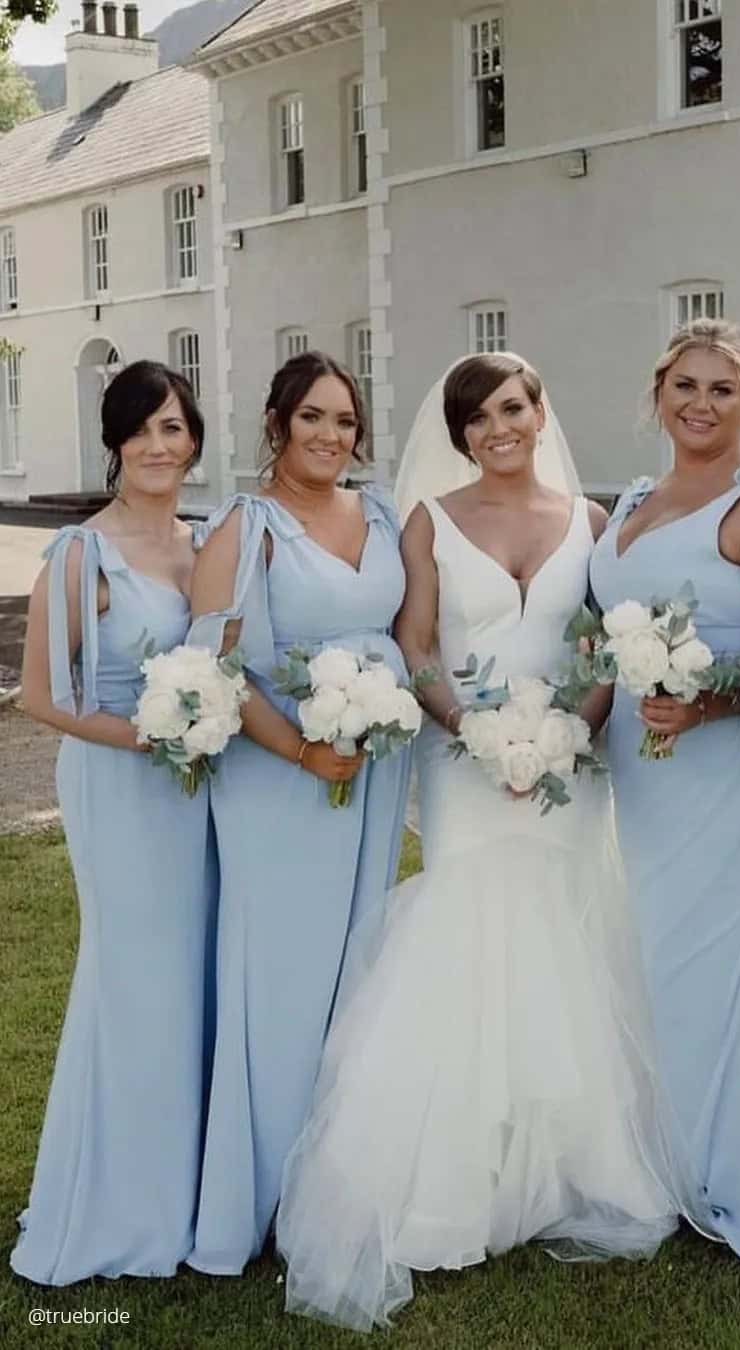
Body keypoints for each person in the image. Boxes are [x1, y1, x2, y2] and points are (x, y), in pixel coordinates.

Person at [275, 352, 677, 1331]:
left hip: (569, 770)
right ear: (456, 436)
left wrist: (572, 729)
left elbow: (607, 646)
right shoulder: (430, 521)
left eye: (511, 407)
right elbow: (415, 644)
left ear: (541, 412)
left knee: (569, 938)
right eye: (476, 417)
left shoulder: (592, 524)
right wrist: (473, 731)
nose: (497, 427)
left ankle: (578, 1162)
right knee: (465, 944)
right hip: (466, 769)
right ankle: (458, 1181)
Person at [589, 319, 740, 1274]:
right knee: (655, 961)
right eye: (685, 385)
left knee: (725, 967)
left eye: (722, 390)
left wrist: (708, 703)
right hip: (644, 776)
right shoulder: (636, 501)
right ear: (658, 394)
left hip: (729, 773)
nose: (700, 403)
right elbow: (605, 631)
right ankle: (674, 1160)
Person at [186, 351, 411, 1275]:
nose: (330, 435)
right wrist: (302, 749)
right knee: (279, 976)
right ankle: (259, 1198)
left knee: (357, 967)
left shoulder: (385, 513)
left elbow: (413, 639)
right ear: (276, 425)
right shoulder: (245, 526)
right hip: (282, 775)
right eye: (312, 417)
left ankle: (334, 1184)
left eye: (345, 421)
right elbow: (216, 667)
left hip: (374, 768)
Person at [12, 361, 215, 1284]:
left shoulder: (204, 541)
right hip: (126, 784)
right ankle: (121, 1202)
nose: (158, 446)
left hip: (204, 783)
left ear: (194, 440)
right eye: (141, 429)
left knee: (196, 973)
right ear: (114, 442)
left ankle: (192, 1187)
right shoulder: (81, 555)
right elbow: (40, 698)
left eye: (174, 428)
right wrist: (144, 737)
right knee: (137, 980)